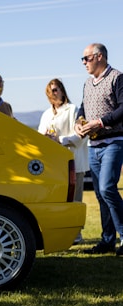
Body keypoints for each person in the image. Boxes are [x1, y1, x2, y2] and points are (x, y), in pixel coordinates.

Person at [75, 43, 123, 255]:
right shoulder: (87, 83)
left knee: (107, 189)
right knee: (100, 195)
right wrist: (79, 122)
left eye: (86, 58)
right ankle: (107, 240)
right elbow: (83, 107)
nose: (83, 62)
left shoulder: (117, 77)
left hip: (113, 142)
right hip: (93, 146)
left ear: (99, 56)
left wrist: (100, 123)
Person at [38, 78, 89, 244]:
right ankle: (61, 234)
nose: (54, 93)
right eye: (50, 91)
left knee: (75, 200)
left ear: (62, 90)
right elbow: (40, 135)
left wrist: (59, 139)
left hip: (74, 162)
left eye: (56, 89)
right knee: (58, 201)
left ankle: (76, 236)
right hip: (54, 165)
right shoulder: (46, 114)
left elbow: (80, 137)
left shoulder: (73, 109)